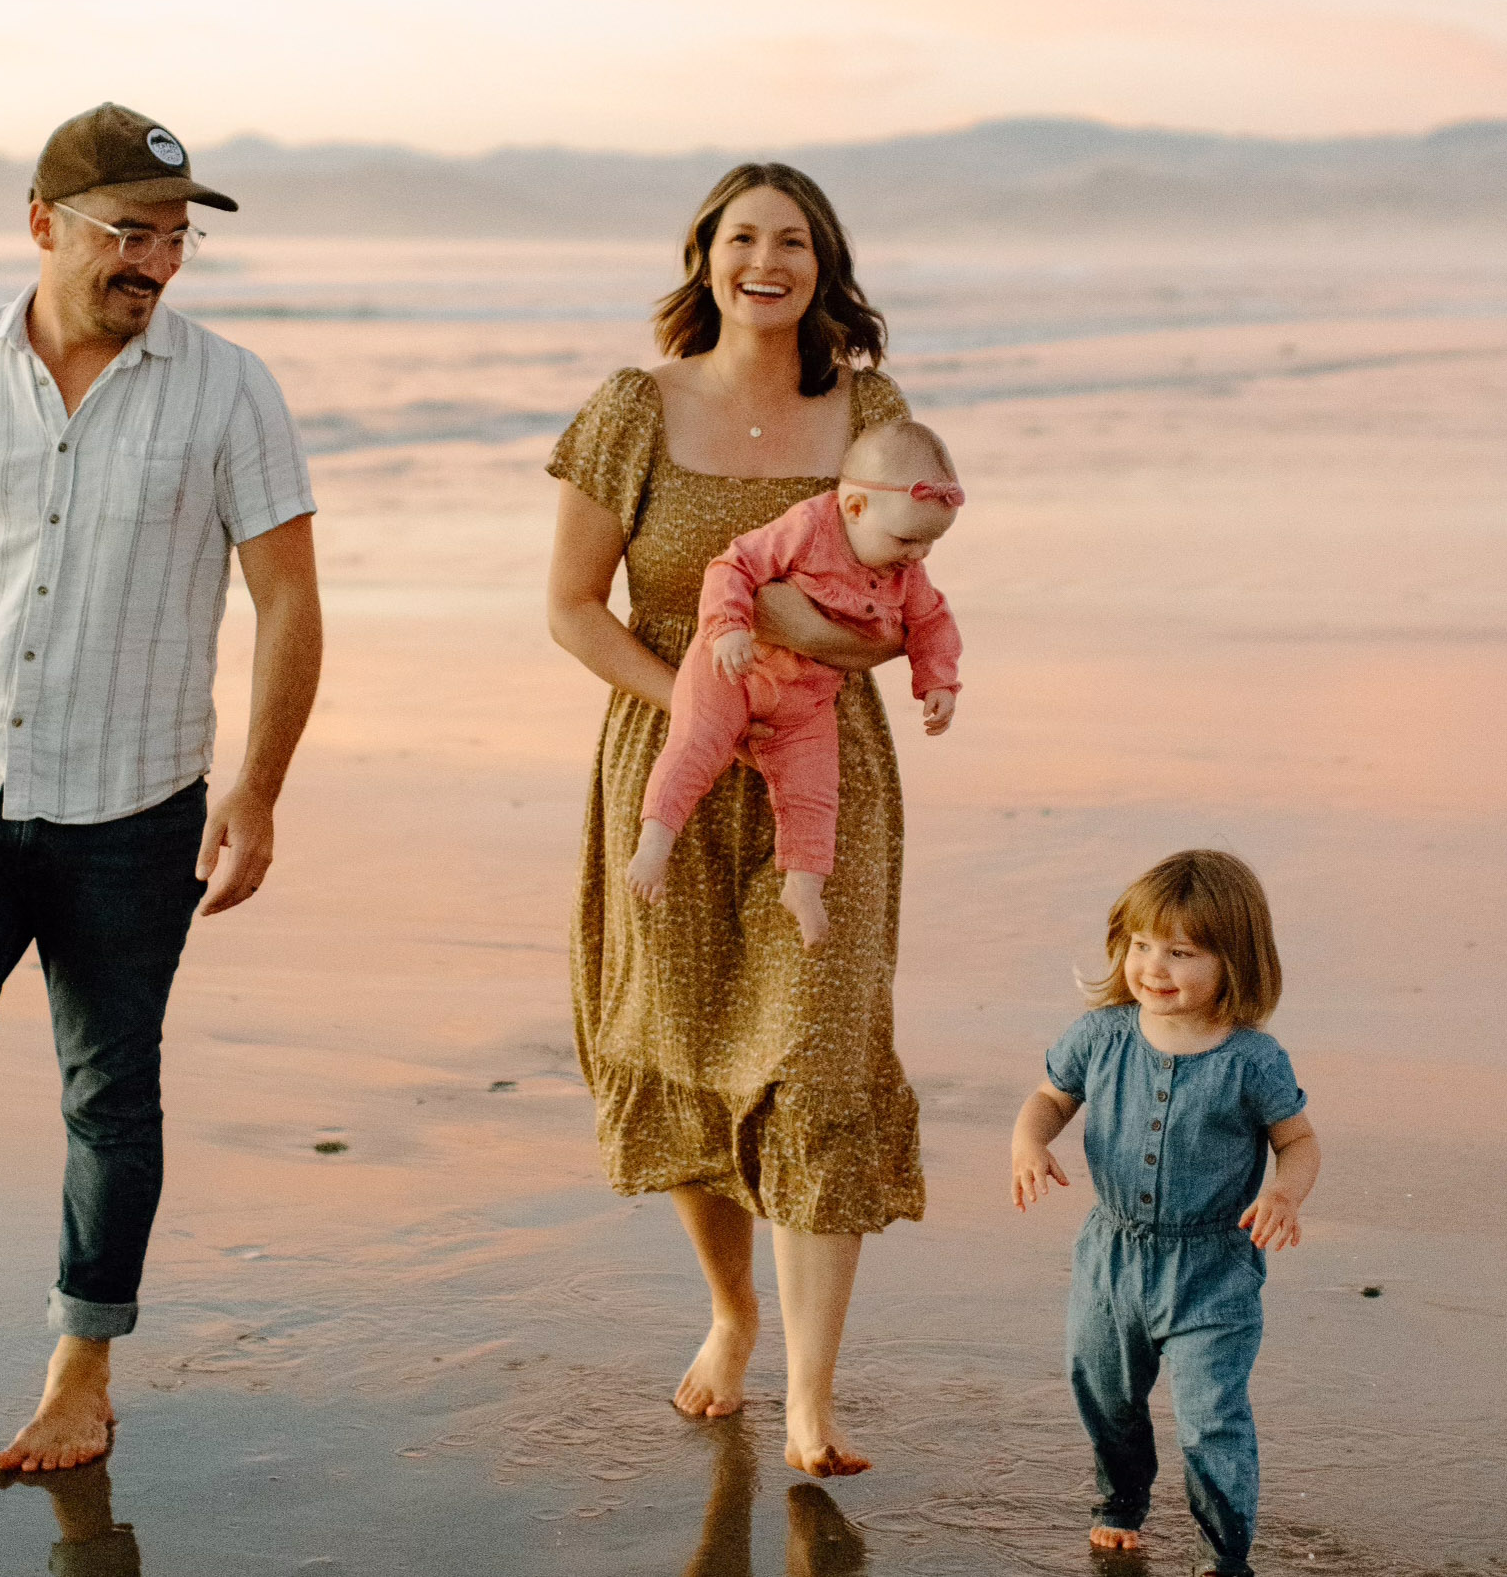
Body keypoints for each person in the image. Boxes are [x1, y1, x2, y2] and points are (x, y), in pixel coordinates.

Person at [0, 103, 323, 1491]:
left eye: (170, 237)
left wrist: (258, 792)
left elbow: (287, 603)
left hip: (135, 802)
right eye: (125, 232)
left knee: (110, 1092)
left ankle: (78, 1370)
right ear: (41, 224)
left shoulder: (228, 388)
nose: (152, 260)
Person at [545, 162, 926, 1478]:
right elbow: (573, 606)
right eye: (741, 236)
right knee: (692, 1044)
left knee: (817, 1060)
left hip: (825, 778)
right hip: (667, 761)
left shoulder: (867, 410)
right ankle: (730, 1311)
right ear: (703, 254)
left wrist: (777, 660)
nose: (767, 258)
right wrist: (701, 706)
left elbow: (891, 606)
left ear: (824, 263)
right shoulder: (628, 409)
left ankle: (814, 1401)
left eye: (793, 239)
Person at [1010, 849, 1322, 1576]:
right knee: (1103, 1390)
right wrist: (1028, 1141)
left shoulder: (1253, 1060)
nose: (1152, 966)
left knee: (1211, 1415)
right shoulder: (1100, 1035)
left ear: (1232, 961)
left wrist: (1283, 1191)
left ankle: (1224, 1551)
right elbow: (1049, 1096)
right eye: (1139, 945)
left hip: (1213, 1265)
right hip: (1110, 1256)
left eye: (1179, 951)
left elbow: (1298, 1140)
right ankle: (1119, 1501)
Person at [627, 419, 964, 946]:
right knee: (697, 744)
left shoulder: (906, 571)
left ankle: (803, 883)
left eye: (930, 543)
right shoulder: (807, 527)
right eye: (906, 539)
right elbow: (732, 565)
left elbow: (932, 622)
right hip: (736, 665)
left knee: (814, 787)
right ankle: (655, 841)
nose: (917, 556)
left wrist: (938, 681)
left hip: (806, 696)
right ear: (856, 509)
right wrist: (728, 627)